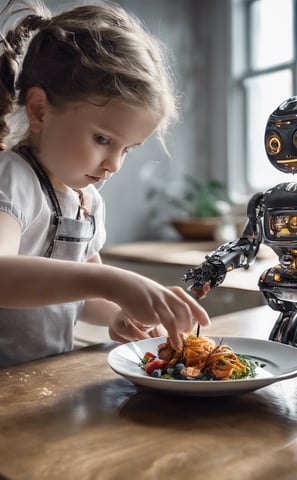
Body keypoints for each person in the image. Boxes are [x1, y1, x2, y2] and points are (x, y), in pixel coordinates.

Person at [0, 0, 210, 367]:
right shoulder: (11, 178)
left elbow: (81, 295)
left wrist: (116, 314)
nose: (113, 164)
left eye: (127, 149)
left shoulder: (87, 203)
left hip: (35, 381)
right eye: (102, 139)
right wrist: (114, 281)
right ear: (39, 110)